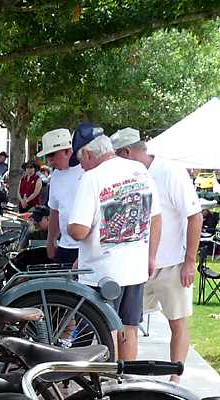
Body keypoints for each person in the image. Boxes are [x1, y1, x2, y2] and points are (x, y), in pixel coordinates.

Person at [111, 128, 202, 380]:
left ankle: (176, 379)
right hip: (136, 267)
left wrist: (190, 262)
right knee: (126, 324)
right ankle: (127, 377)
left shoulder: (170, 172)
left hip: (172, 264)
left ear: (127, 152)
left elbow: (195, 217)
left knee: (177, 322)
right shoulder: (128, 175)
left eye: (118, 156)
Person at [67, 132, 161, 362]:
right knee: (129, 328)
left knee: (105, 330)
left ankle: (112, 386)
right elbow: (156, 217)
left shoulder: (92, 178)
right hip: (135, 268)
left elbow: (79, 230)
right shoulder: (140, 170)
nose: (81, 167)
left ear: (88, 154)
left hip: (102, 273)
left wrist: (71, 229)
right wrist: (151, 258)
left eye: (81, 162)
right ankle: (127, 381)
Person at [41, 127, 83, 267]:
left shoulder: (86, 171)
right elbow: (55, 211)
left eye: (52, 155)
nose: (50, 160)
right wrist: (50, 240)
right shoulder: (56, 176)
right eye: (47, 156)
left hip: (86, 246)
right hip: (65, 245)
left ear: (68, 151)